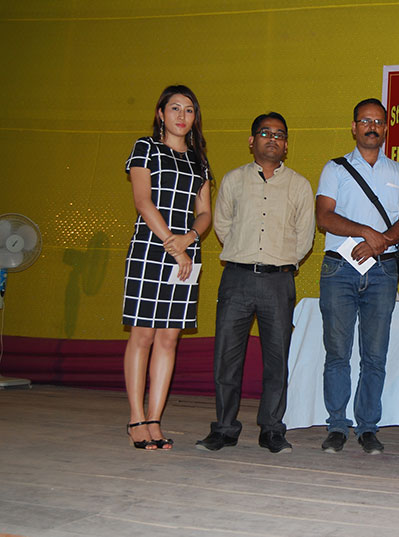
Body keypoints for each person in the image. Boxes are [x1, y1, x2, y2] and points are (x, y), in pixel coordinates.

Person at [196, 113, 315, 453]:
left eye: (279, 134)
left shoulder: (299, 185)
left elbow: (304, 237)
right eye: (265, 133)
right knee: (227, 358)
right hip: (236, 278)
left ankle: (272, 430)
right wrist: (245, 254)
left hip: (278, 282)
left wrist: (278, 260)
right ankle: (224, 428)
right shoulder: (233, 180)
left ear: (286, 145)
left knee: (277, 360)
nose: (272, 139)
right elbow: (222, 225)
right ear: (252, 141)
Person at [316, 98, 399, 454]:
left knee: (375, 355)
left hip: (383, 269)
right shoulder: (335, 169)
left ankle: (368, 427)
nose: (372, 127)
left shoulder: (397, 171)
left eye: (378, 122)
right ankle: (337, 425)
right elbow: (324, 217)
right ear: (354, 127)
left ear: (386, 128)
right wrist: (364, 232)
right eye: (365, 121)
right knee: (337, 353)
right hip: (339, 269)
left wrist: (380, 243)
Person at [123, 84, 212, 450]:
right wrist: (173, 245)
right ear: (161, 113)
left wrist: (188, 238)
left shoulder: (199, 159)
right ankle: (136, 418)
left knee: (169, 338)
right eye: (175, 108)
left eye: (189, 110)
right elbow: (143, 201)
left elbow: (205, 213)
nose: (181, 116)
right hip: (151, 249)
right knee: (142, 335)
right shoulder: (145, 147)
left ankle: (155, 419)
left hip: (186, 254)